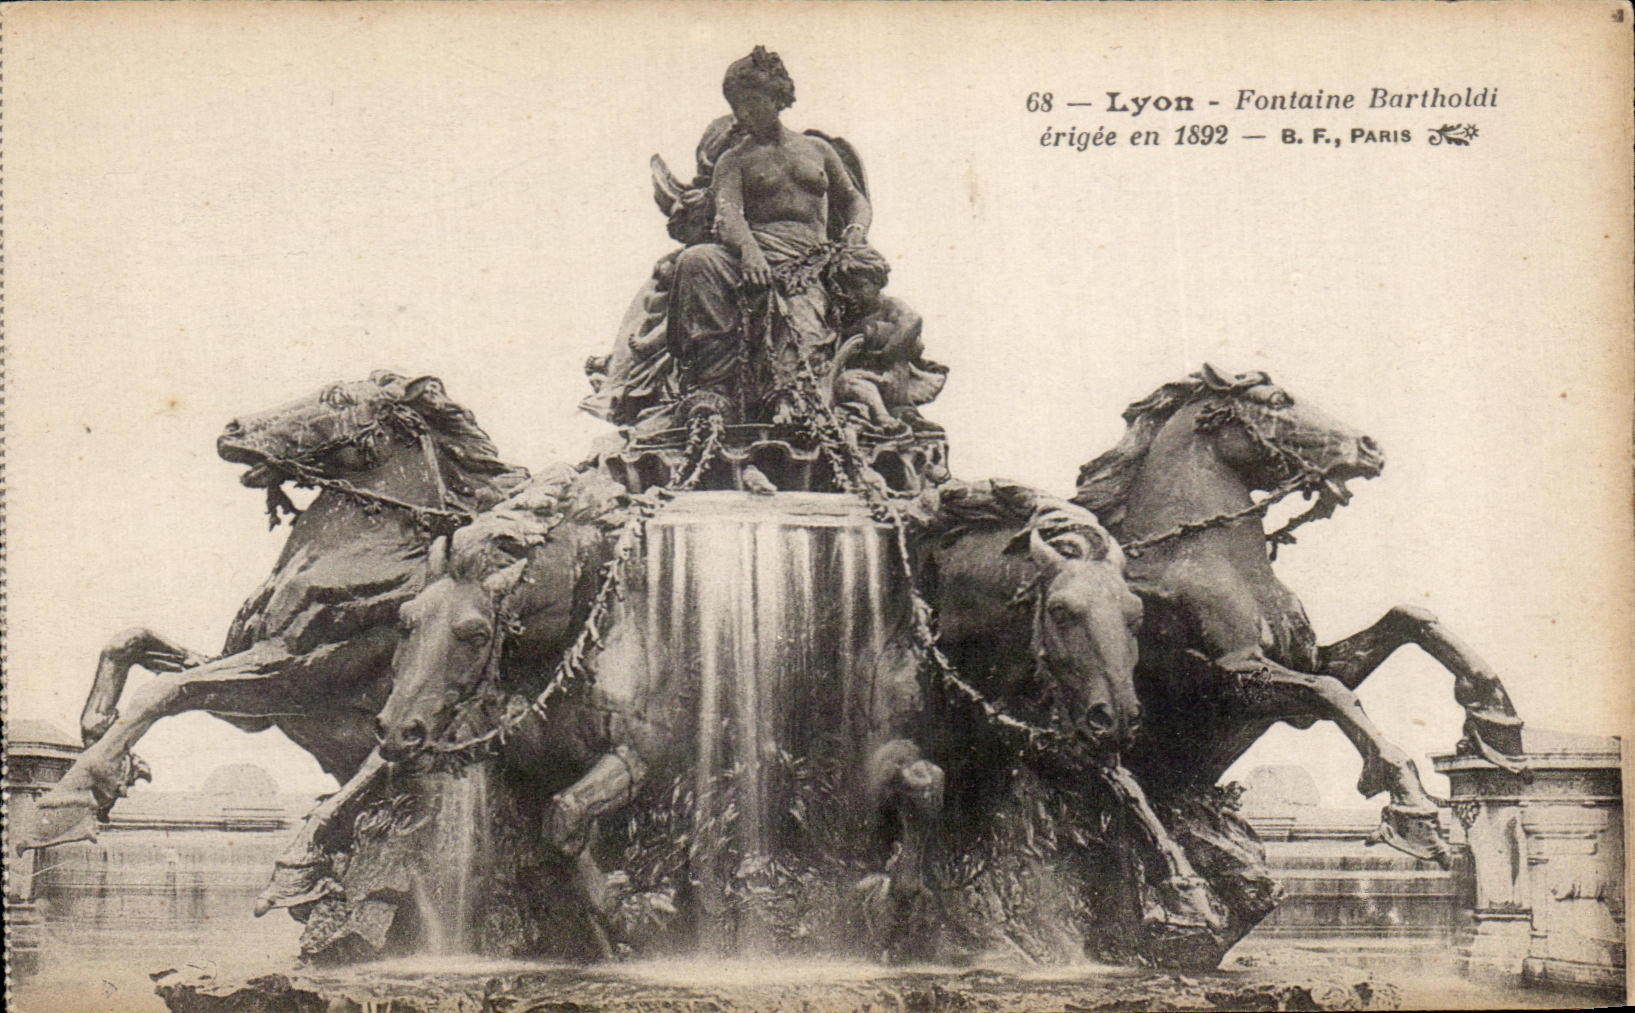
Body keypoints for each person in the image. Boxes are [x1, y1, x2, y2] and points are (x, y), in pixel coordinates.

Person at [666, 47, 872, 422]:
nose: (743, 114)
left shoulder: (818, 150)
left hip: (808, 262)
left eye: (751, 102)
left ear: (778, 98)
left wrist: (856, 233)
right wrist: (749, 252)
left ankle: (789, 397)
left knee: (803, 328)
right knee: (696, 260)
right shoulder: (734, 160)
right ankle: (714, 387)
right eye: (737, 105)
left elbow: (854, 199)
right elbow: (728, 216)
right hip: (754, 252)